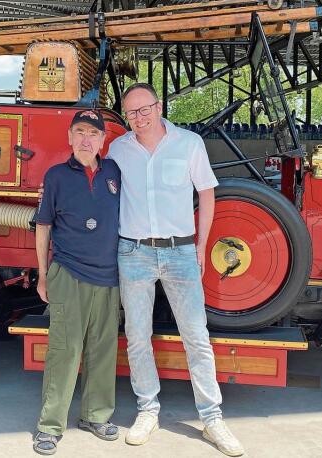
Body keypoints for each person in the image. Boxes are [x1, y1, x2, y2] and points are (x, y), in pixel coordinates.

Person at [108, 83, 244, 457]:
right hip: (133, 252)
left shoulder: (188, 143)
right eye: (131, 112)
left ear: (159, 105)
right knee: (137, 335)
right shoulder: (118, 149)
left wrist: (201, 245)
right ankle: (147, 410)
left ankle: (212, 417)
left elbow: (207, 193)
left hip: (180, 251)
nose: (139, 117)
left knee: (195, 335)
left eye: (145, 109)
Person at [32, 110, 122, 455]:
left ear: (103, 140)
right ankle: (50, 426)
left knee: (103, 350)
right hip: (68, 273)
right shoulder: (56, 176)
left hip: (110, 276)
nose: (87, 139)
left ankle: (96, 416)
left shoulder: (114, 172)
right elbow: (43, 227)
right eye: (80, 132)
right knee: (64, 352)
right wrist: (43, 274)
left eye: (94, 134)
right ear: (70, 137)